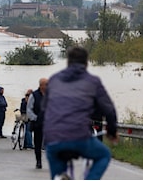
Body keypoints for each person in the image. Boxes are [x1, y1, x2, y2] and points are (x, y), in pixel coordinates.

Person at [43, 47, 119, 180]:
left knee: (56, 169)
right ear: (86, 63)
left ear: (68, 62)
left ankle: (59, 176)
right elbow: (108, 109)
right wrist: (112, 131)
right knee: (104, 155)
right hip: (78, 136)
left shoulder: (54, 80)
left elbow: (43, 108)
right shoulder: (92, 81)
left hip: (53, 137)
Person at [27, 78, 48, 169]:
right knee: (38, 143)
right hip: (38, 123)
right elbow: (29, 109)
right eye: (46, 84)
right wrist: (35, 118)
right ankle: (38, 161)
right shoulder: (34, 95)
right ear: (41, 85)